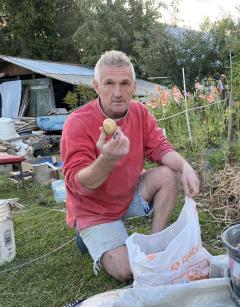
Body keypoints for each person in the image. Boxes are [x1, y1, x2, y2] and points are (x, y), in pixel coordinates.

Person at [60, 50, 200, 282]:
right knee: (126, 271)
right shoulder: (78, 122)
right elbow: (78, 184)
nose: (117, 92)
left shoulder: (140, 113)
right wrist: (107, 160)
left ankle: (156, 244)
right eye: (109, 83)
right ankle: (86, 236)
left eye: (124, 83)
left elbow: (161, 148)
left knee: (170, 174)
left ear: (133, 86)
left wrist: (186, 167)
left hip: (126, 194)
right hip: (94, 210)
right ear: (96, 86)